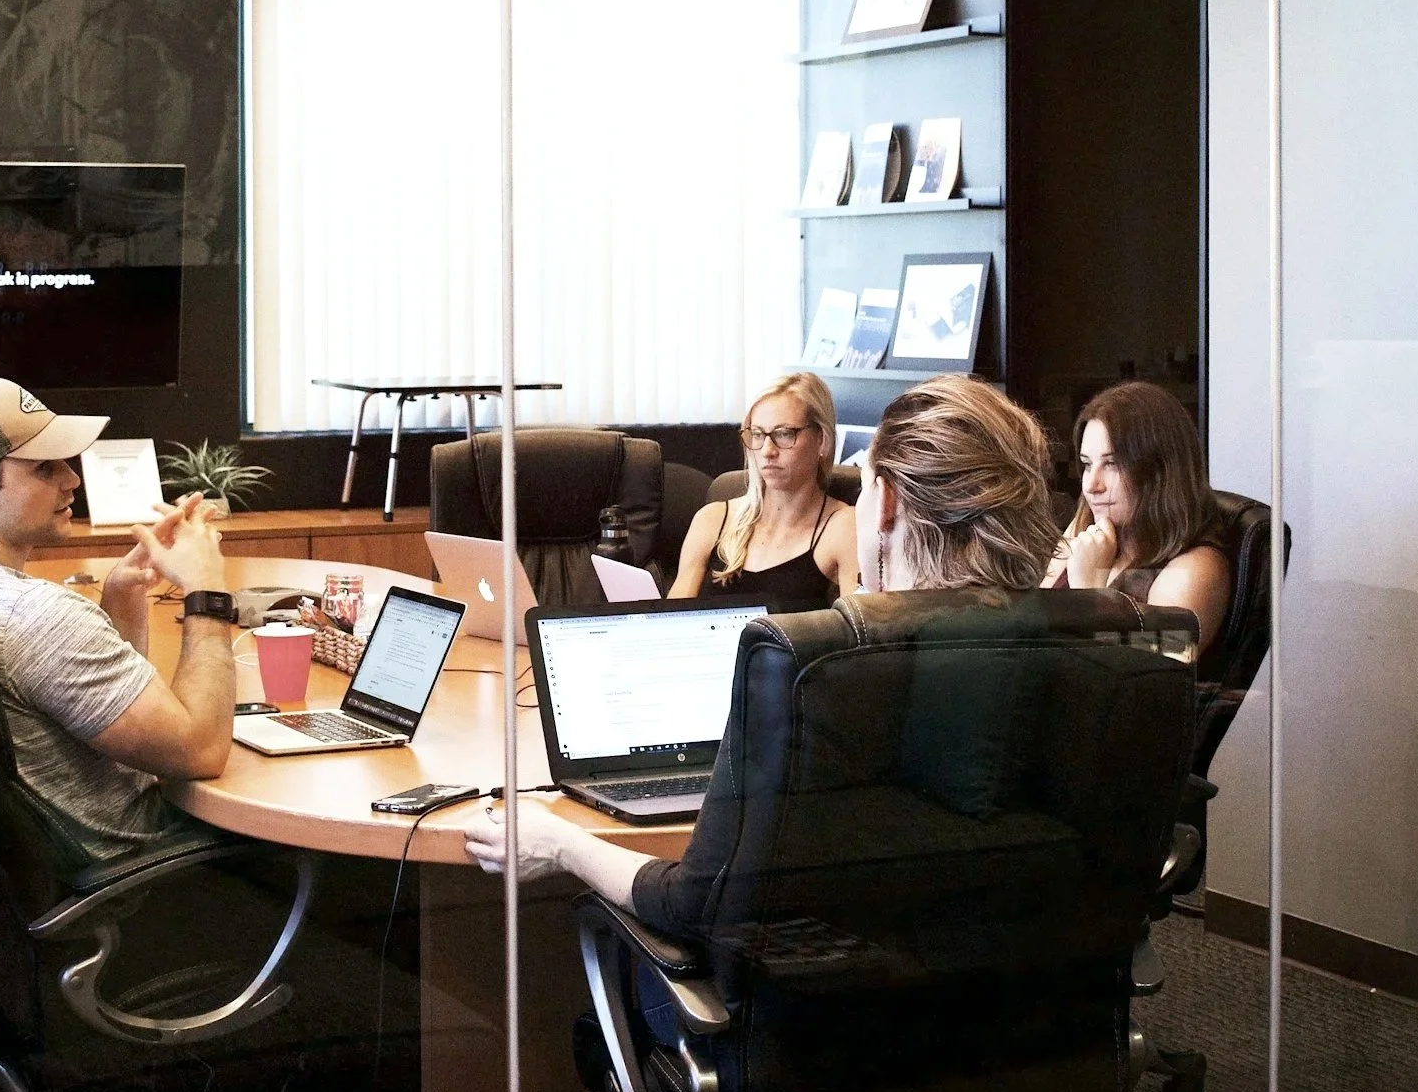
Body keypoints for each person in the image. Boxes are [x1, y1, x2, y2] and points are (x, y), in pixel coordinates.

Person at [467, 372, 1060, 926]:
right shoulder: (1085, 646)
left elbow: (694, 900)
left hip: (816, 983)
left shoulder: (815, 676)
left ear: (883, 504)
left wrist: (561, 843)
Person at [0, 375, 242, 861]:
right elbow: (201, 751)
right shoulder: (35, 618)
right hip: (149, 868)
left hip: (41, 870)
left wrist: (121, 593)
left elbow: (93, 707)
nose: (72, 479)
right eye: (45, 467)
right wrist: (206, 591)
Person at [1043, 381, 1230, 646]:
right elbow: (1032, 630)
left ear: (1159, 471)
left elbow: (1150, 666)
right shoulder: (1086, 526)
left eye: (1112, 464)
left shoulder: (1196, 569)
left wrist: (1089, 593)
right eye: (1087, 465)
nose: (1091, 485)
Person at [668, 371, 857, 607]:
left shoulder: (844, 526)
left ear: (822, 439)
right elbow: (671, 621)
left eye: (784, 434)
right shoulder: (712, 519)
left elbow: (861, 626)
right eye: (757, 434)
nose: (767, 450)